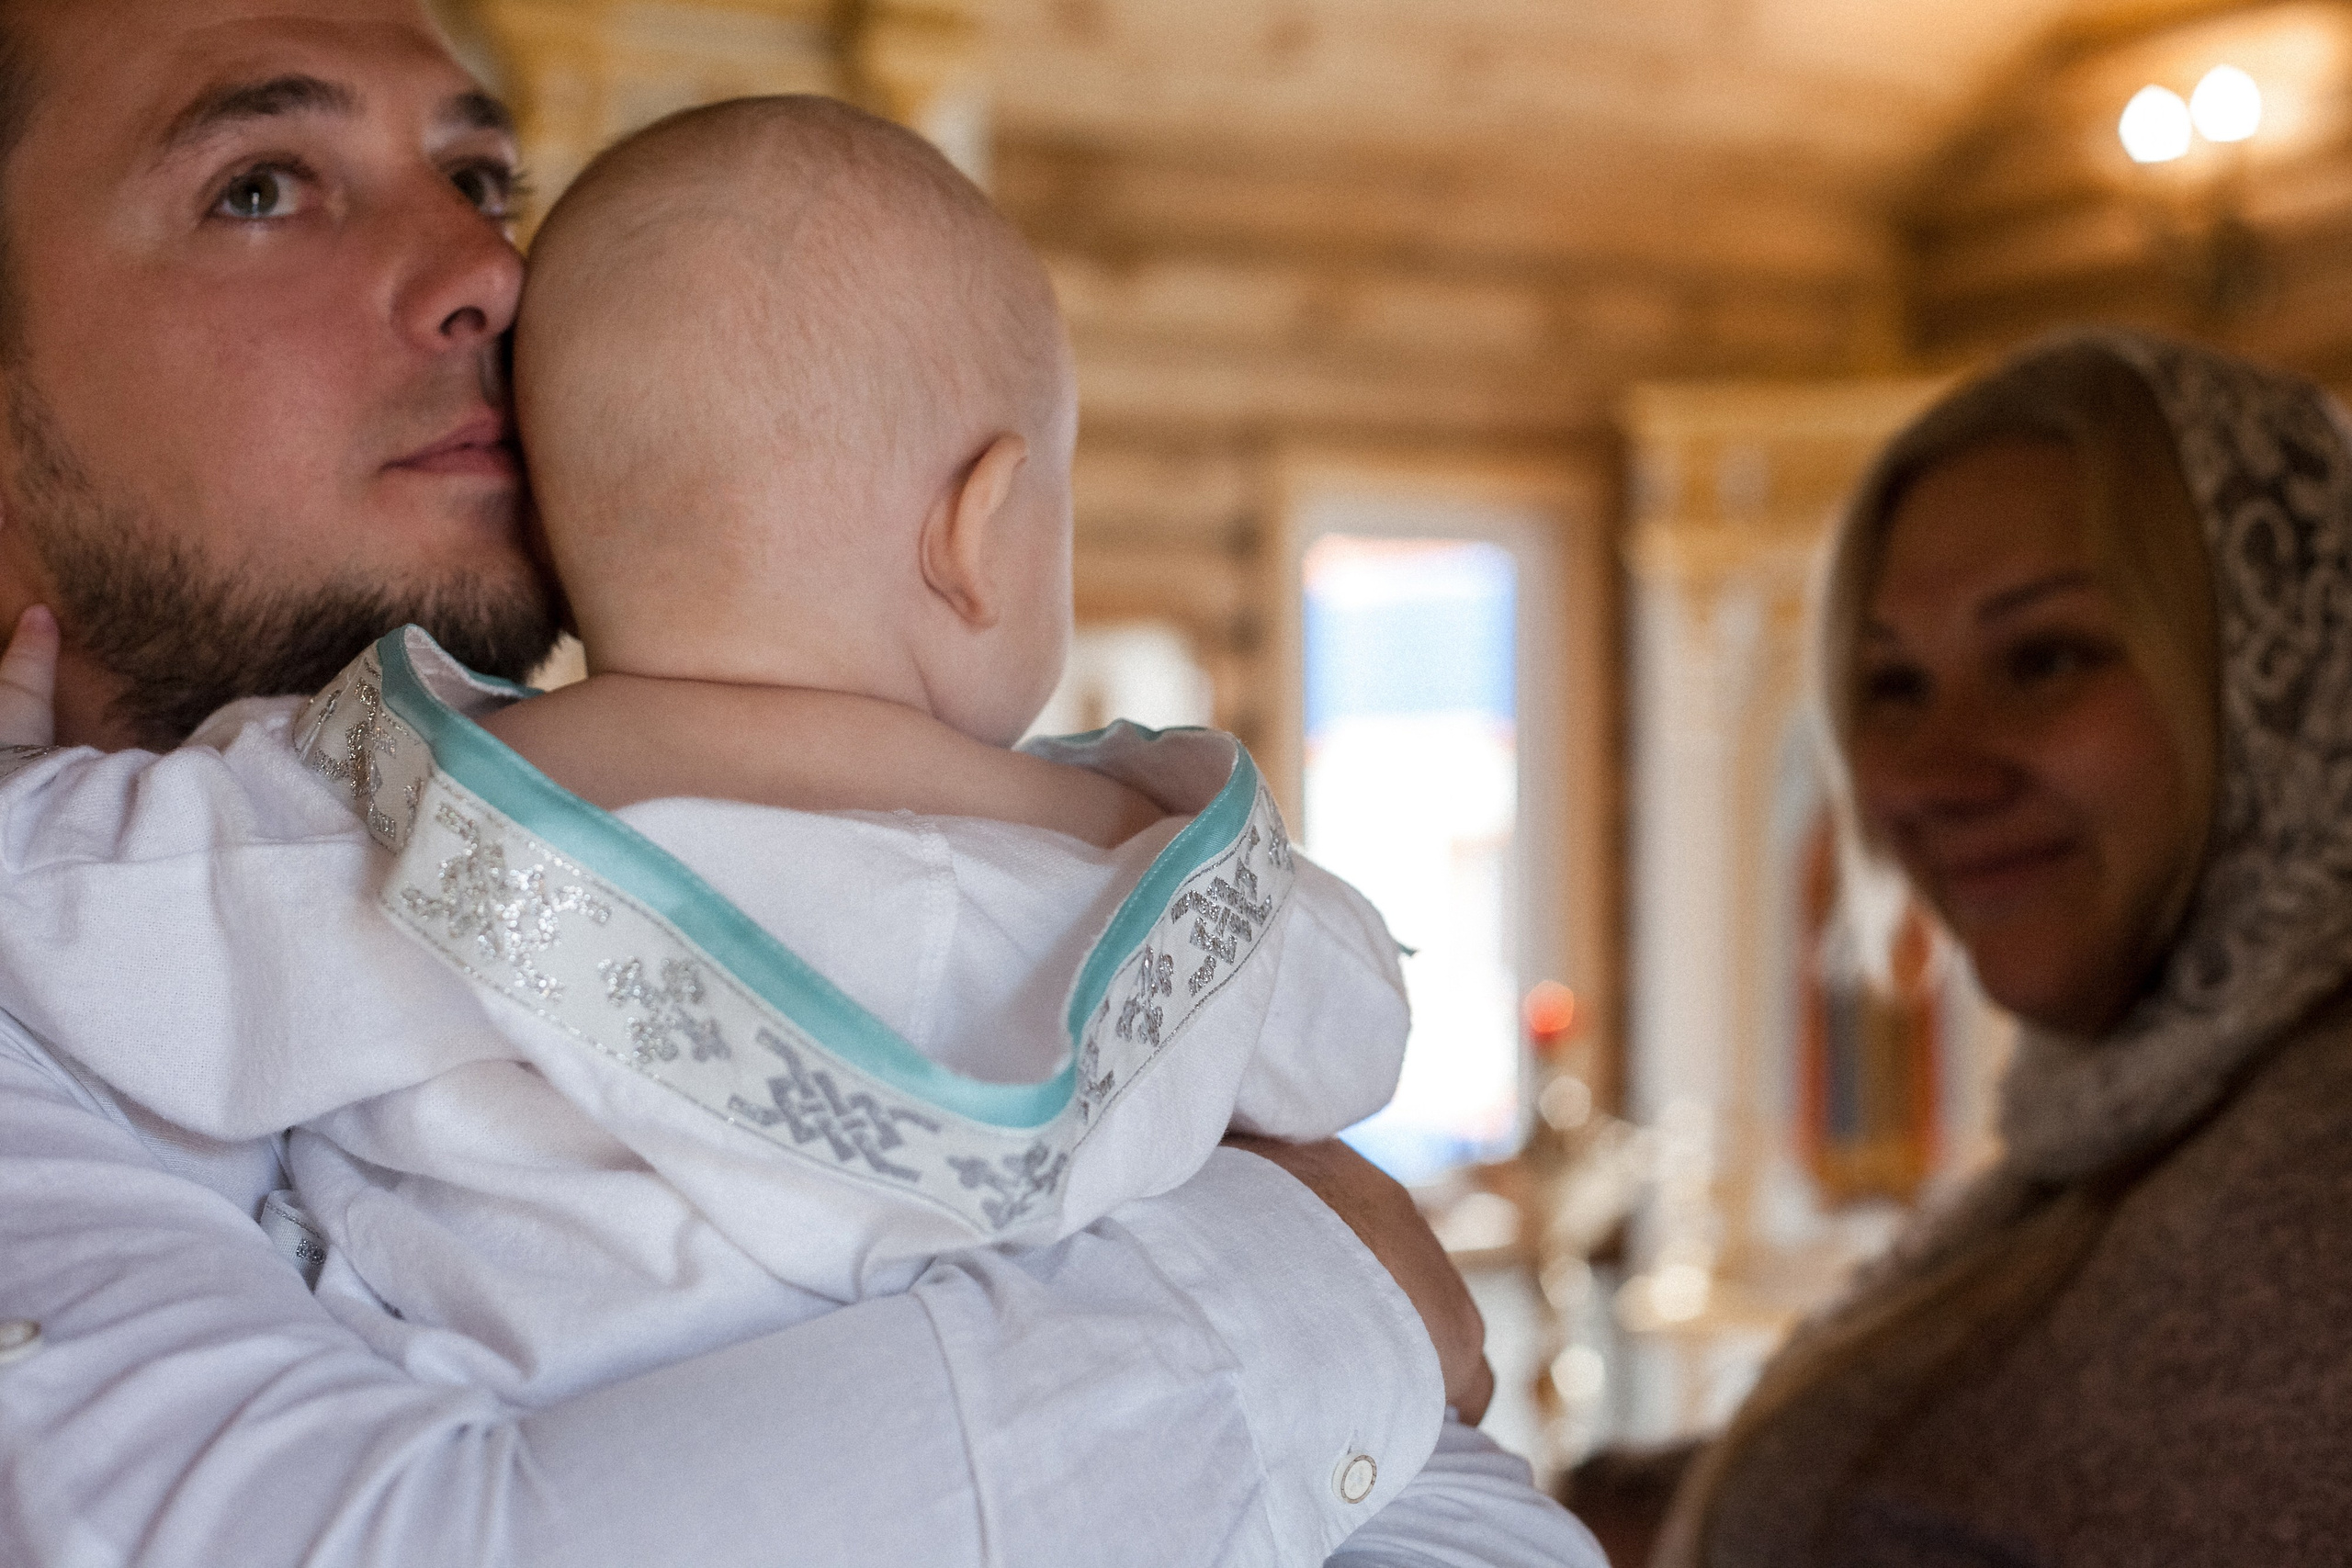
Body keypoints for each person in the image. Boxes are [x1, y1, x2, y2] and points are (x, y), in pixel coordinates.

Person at [0, 2, 1579, 1562]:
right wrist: (1304, 1279)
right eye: (260, 185)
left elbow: (1464, 1530)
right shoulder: (1112, 908)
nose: (491, 270)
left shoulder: (354, 855)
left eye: (485, 184)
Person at [1653, 327, 2352, 1565]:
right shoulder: (2120, 1121)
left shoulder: (2315, 1180)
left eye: (2045, 659)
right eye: (1893, 688)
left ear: (2274, 676)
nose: (1932, 773)